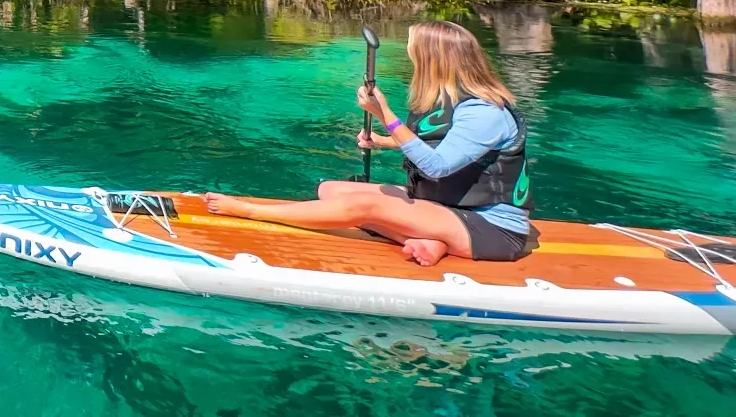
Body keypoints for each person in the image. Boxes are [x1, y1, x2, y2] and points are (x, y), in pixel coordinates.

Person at [202, 20, 534, 266]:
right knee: (332, 191)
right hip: (451, 208)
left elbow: (436, 166)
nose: (407, 49)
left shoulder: (484, 111)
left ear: (433, 57)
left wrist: (384, 112)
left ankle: (251, 211)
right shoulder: (454, 98)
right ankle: (433, 239)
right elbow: (446, 149)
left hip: (489, 227)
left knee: (364, 207)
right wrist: (384, 141)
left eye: (411, 44)